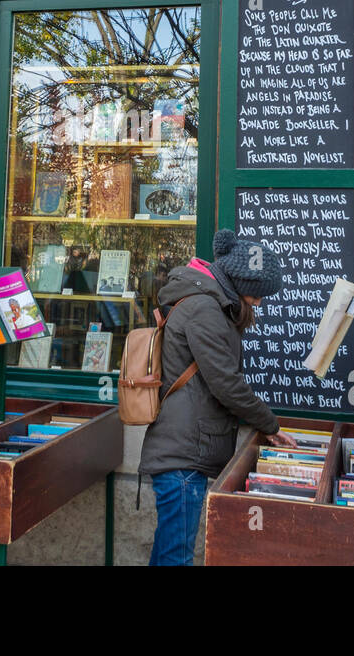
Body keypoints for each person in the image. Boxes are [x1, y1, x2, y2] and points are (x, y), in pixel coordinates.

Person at [139, 229, 296, 566]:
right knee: (175, 558)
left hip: (183, 449)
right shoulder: (204, 310)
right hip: (182, 455)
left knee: (169, 553)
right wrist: (269, 423)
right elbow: (226, 382)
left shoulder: (210, 304)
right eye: (256, 295)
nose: (258, 303)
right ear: (242, 285)